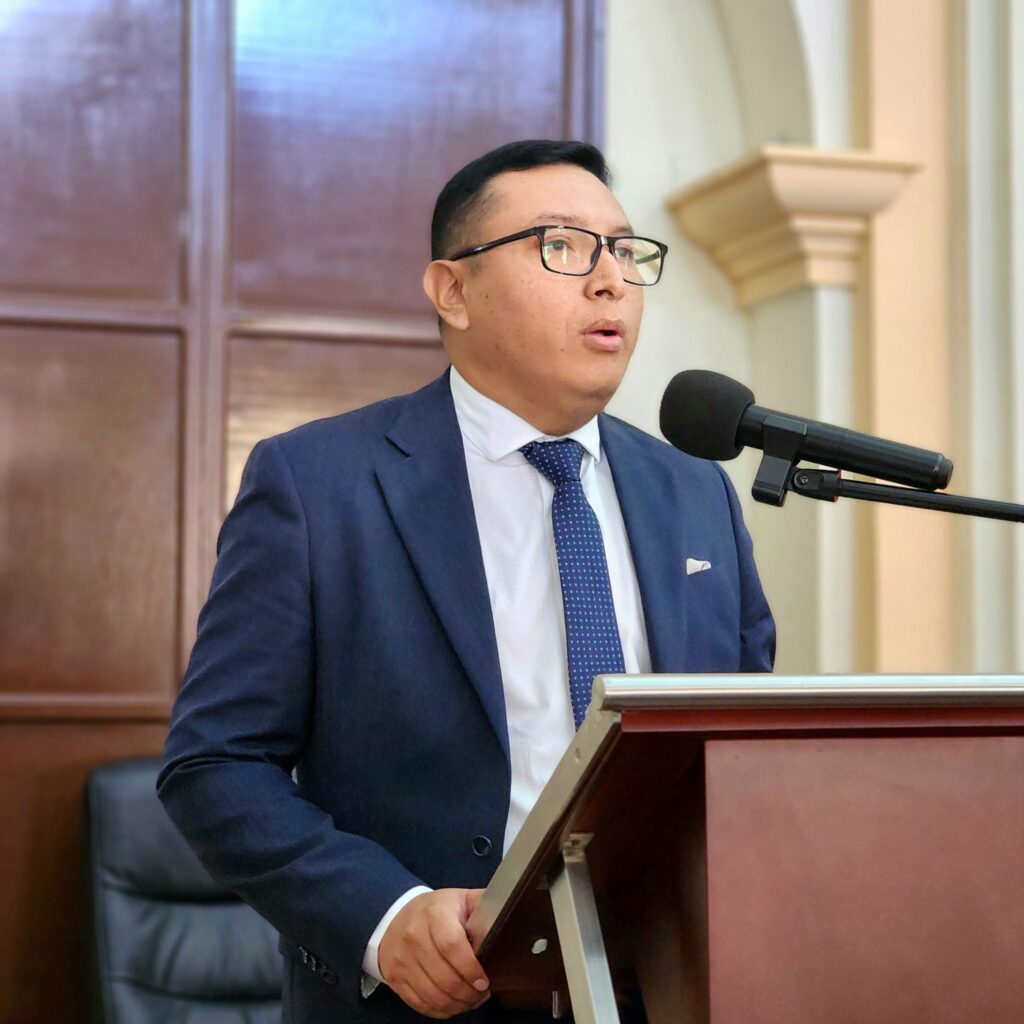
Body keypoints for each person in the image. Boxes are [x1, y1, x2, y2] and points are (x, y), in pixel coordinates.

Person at [158, 139, 775, 1024]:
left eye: (625, 251)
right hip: (432, 996)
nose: (611, 281)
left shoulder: (694, 492)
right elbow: (216, 763)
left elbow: (742, 746)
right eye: (562, 247)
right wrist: (385, 915)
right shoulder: (320, 485)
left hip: (669, 988)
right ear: (452, 290)